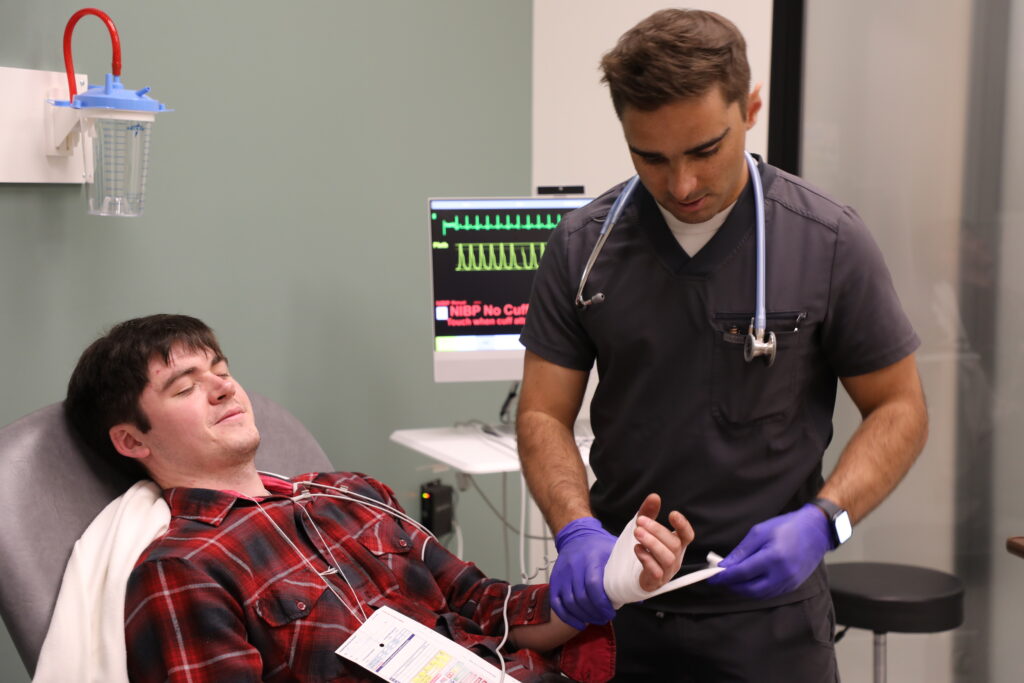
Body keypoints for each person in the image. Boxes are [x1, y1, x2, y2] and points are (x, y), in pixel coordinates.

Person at [516, 8, 928, 681]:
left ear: (751, 109)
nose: (680, 185)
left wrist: (825, 522)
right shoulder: (583, 250)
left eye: (704, 150)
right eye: (650, 157)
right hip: (624, 614)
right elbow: (540, 413)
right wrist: (576, 530)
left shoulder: (827, 243)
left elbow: (901, 408)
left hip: (772, 629)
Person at [63, 313, 694, 682]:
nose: (223, 390)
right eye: (184, 387)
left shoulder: (352, 496)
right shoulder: (183, 568)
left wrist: (615, 581)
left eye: (222, 372)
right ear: (130, 440)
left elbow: (484, 605)